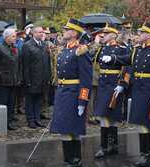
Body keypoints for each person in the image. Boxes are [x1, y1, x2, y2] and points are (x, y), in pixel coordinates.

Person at [102, 22, 150, 166]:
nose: (138, 35)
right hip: (138, 89)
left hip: (149, 90)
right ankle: (148, 154)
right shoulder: (137, 50)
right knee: (141, 123)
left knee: (145, 124)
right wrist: (113, 59)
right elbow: (127, 60)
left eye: (142, 33)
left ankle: (147, 155)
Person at [50, 18, 92, 167]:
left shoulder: (80, 51)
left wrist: (82, 100)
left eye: (66, 29)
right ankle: (73, 160)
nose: (64, 31)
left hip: (74, 94)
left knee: (70, 129)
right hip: (63, 92)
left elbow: (86, 79)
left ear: (74, 33)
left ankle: (73, 160)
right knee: (66, 128)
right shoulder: (65, 50)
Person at [93, 23, 129, 159]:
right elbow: (92, 59)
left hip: (114, 84)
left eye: (106, 33)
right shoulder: (101, 49)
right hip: (103, 84)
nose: (103, 35)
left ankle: (108, 146)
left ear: (114, 35)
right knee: (104, 115)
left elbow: (128, 67)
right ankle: (109, 146)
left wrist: (123, 84)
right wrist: (96, 44)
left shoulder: (121, 49)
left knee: (109, 116)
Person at [22, 26, 51, 129]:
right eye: (39, 32)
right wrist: (27, 80)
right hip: (32, 79)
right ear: (33, 33)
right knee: (30, 101)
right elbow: (25, 65)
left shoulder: (44, 45)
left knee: (39, 100)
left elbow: (47, 62)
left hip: (42, 79)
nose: (41, 34)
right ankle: (30, 120)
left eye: (42, 32)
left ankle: (37, 119)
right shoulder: (27, 45)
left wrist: (48, 76)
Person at [0, 28, 22, 130]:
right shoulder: (0, 48)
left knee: (11, 103)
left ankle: (9, 122)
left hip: (14, 80)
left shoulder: (15, 47)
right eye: (13, 36)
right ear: (7, 37)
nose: (15, 38)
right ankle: (2, 123)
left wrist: (18, 77)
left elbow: (18, 64)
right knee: (4, 102)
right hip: (4, 80)